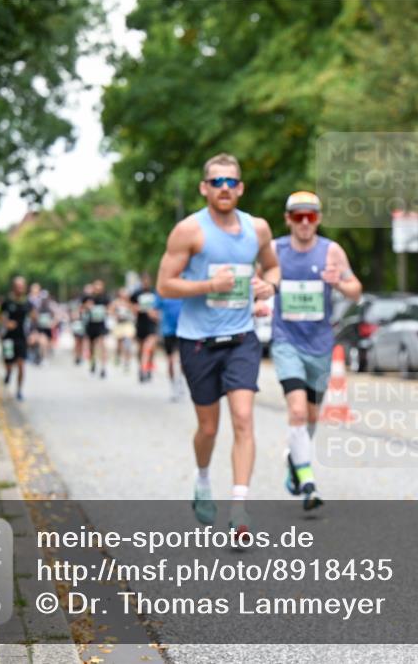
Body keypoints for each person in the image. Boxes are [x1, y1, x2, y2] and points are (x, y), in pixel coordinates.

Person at [157, 152, 280, 542]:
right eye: (216, 182)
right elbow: (164, 285)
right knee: (208, 428)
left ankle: (239, 508)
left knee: (243, 418)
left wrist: (269, 285)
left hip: (241, 338)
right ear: (204, 188)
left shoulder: (257, 229)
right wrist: (210, 286)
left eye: (230, 182)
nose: (224, 188)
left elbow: (272, 266)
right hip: (198, 342)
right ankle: (203, 478)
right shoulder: (189, 231)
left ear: (240, 188)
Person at [270, 191, 362, 510]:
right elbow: (257, 283)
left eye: (311, 216)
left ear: (318, 219)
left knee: (310, 416)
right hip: (285, 340)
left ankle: (295, 461)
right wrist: (258, 298)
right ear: (288, 220)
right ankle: (308, 483)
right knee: (297, 411)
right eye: (299, 216)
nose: (305, 222)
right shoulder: (274, 250)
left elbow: (356, 290)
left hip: (320, 345)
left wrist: (338, 282)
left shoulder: (331, 251)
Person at [0, 276, 36, 401]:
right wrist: (6, 323)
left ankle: (19, 390)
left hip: (22, 338)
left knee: (21, 365)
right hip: (8, 338)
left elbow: (34, 318)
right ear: (13, 287)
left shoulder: (27, 303)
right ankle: (8, 373)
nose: (20, 289)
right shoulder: (7, 301)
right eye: (18, 286)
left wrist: (33, 333)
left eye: (22, 286)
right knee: (8, 363)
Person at [132, 273, 161, 383]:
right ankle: (141, 367)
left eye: (147, 280)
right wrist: (136, 308)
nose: (146, 282)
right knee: (141, 348)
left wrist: (156, 315)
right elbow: (131, 305)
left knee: (148, 347)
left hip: (152, 324)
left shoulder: (155, 293)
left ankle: (146, 368)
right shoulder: (136, 293)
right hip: (141, 324)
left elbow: (159, 307)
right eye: (144, 280)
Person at [157, 294, 186, 402]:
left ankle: (181, 382)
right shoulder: (163, 293)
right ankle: (173, 386)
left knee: (181, 359)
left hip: (182, 330)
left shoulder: (184, 291)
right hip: (167, 332)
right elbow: (154, 309)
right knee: (170, 361)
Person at [83, 280, 110, 379]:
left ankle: (103, 367)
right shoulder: (88, 297)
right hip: (91, 325)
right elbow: (82, 308)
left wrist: (106, 311)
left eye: (100, 286)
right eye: (96, 286)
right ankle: (92, 363)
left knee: (102, 345)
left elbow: (110, 308)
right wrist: (87, 306)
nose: (98, 288)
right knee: (92, 346)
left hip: (101, 325)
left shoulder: (105, 298)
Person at [110, 288, 136, 373]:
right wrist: (116, 315)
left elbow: (134, 312)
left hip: (128, 324)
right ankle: (118, 356)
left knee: (128, 343)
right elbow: (110, 311)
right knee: (119, 343)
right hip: (119, 325)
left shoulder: (129, 303)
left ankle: (127, 362)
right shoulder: (116, 303)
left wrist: (131, 310)